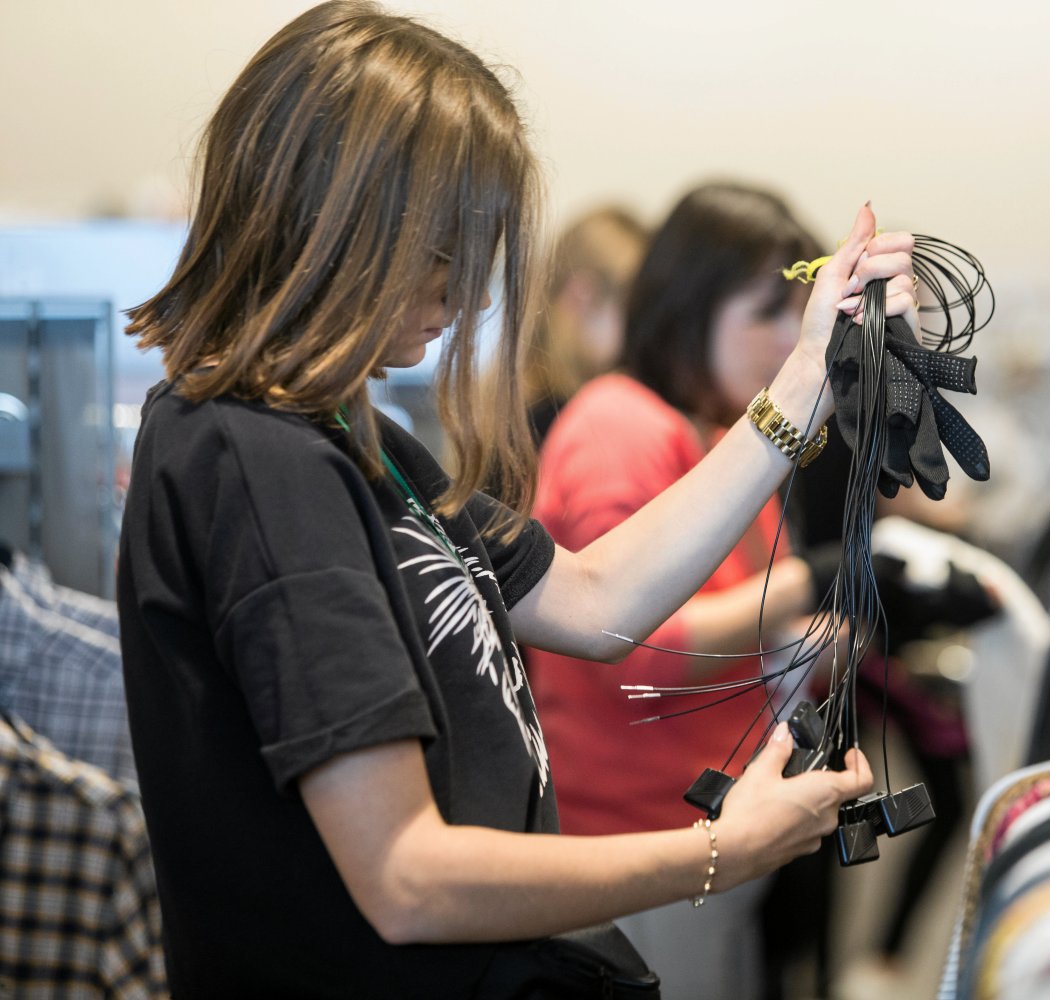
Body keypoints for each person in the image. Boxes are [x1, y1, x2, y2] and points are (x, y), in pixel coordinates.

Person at [113, 4, 917, 997]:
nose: (466, 291)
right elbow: (410, 877)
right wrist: (716, 849)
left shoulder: (347, 436)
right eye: (447, 246)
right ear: (346, 221)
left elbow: (592, 599)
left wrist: (805, 380)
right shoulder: (253, 460)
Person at [526, 182, 833, 999]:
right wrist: (814, 582)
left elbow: (747, 634)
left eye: (797, 319)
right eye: (766, 314)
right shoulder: (620, 425)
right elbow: (645, 653)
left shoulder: (727, 437)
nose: (784, 344)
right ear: (693, 305)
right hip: (634, 848)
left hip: (706, 835)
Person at [522, 206, 648, 443]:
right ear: (583, 296)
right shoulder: (546, 422)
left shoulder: (513, 404)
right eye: (635, 310)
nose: (644, 330)